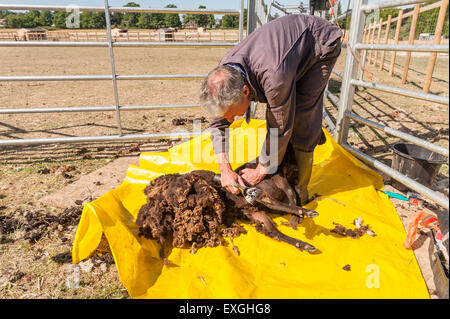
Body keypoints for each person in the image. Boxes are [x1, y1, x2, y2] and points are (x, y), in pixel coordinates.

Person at [199, 14, 342, 205]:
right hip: (284, 56)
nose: (232, 119)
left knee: (301, 115)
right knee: (284, 109)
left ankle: (300, 190)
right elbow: (219, 123)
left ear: (245, 90)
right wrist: (225, 169)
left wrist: (260, 171)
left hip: (318, 44)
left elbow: (279, 124)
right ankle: (282, 158)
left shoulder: (273, 76)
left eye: (233, 113)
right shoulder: (224, 75)